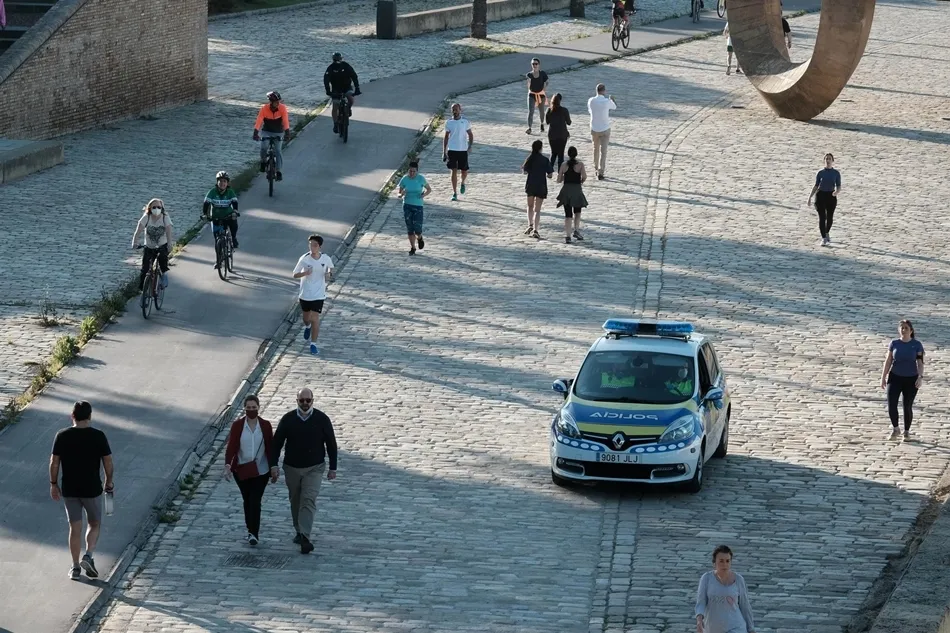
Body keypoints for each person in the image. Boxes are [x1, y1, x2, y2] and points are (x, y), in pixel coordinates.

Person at [49, 401, 114, 580]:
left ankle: (75, 567)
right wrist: (109, 481)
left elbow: (54, 462)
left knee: (74, 527)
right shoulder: (98, 436)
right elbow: (108, 461)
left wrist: (53, 483)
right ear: (90, 416)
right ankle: (88, 555)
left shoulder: (62, 435)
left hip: (70, 489)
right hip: (92, 488)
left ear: (72, 416)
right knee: (94, 523)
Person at [269, 388, 338, 555]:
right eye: (302, 400)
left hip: (315, 467)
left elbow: (331, 443)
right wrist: (273, 465)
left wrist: (333, 467)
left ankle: (305, 537)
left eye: (308, 400)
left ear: (313, 400)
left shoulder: (322, 419)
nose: (305, 403)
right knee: (295, 500)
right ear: (297, 401)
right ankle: (299, 530)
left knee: (308, 499)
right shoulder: (288, 419)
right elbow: (277, 443)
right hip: (292, 467)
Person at [224, 394, 274, 545]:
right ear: (244, 408)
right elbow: (232, 446)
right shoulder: (238, 425)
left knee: (255, 500)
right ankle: (250, 529)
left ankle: (254, 533)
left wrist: (273, 467)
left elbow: (270, 447)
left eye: (254, 407)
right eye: (248, 407)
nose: (251, 410)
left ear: (258, 408)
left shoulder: (265, 426)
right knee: (247, 500)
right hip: (241, 470)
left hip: (261, 470)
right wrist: (227, 465)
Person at [880, 320, 925, 441]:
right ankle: (895, 429)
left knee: (907, 405)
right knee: (891, 404)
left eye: (906, 328)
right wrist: (883, 377)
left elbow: (920, 363)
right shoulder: (894, 343)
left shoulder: (917, 345)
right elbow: (888, 361)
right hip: (895, 377)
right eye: (902, 328)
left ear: (911, 331)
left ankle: (906, 432)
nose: (903, 330)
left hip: (911, 379)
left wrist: (920, 377)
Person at [695, 545, 756, 633]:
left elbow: (745, 606)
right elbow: (701, 603)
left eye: (727, 561)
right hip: (713, 628)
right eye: (721, 561)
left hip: (736, 627)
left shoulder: (739, 580)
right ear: (714, 562)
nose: (725, 564)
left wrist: (751, 629)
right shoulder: (706, 578)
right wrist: (699, 621)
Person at [292, 235, 334, 356]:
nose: (312, 247)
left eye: (315, 245)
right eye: (310, 245)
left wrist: (329, 274)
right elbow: (294, 274)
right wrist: (305, 273)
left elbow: (331, 268)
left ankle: (313, 344)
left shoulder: (325, 258)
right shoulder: (304, 259)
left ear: (319, 246)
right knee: (306, 318)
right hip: (305, 293)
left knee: (315, 318)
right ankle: (307, 326)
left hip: (319, 294)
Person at [131, 198, 173, 291]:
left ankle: (164, 276)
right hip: (149, 246)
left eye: (159, 207)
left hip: (162, 245)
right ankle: (142, 290)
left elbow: (168, 230)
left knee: (163, 260)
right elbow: (138, 230)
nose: (156, 209)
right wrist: (135, 241)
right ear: (150, 208)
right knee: (145, 269)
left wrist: (169, 243)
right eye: (154, 207)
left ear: (162, 208)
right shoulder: (147, 217)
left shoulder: (165, 217)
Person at [253, 91, 291, 181]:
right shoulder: (264, 109)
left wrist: (287, 133)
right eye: (276, 102)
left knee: (278, 150)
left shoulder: (282, 108)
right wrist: (255, 133)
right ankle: (263, 162)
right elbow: (259, 121)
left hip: (278, 132)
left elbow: (285, 121)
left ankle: (278, 171)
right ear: (271, 102)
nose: (278, 103)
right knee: (263, 147)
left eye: (279, 101)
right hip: (266, 131)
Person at [398, 161, 432, 255]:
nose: (412, 173)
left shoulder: (421, 179)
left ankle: (420, 238)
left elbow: (429, 189)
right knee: (410, 228)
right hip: (407, 205)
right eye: (410, 171)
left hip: (418, 205)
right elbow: (399, 193)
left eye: (414, 171)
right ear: (408, 170)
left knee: (417, 228)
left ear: (417, 171)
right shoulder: (404, 179)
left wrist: (423, 195)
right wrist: (401, 194)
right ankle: (413, 248)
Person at [556, 146, 589, 243]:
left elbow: (558, 179)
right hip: (577, 190)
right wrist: (580, 181)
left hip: (566, 191)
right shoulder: (580, 164)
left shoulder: (563, 165)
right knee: (577, 212)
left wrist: (565, 178)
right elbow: (584, 177)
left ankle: (568, 236)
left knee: (568, 214)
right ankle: (576, 230)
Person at [202, 171, 240, 257]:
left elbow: (235, 202)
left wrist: (235, 211)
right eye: (220, 181)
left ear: (227, 183)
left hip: (228, 216)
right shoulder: (212, 192)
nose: (222, 183)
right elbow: (206, 203)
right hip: (215, 217)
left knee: (234, 222)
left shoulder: (230, 192)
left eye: (224, 181)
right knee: (217, 240)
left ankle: (233, 238)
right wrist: (205, 214)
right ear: (217, 182)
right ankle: (218, 259)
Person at [522, 140, 554, 239]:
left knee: (530, 206)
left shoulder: (530, 158)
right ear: (541, 148)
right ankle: (536, 229)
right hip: (541, 185)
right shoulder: (545, 160)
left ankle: (530, 225)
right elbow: (550, 175)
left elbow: (525, 171)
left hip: (531, 184)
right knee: (537, 210)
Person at [807, 153, 841, 246]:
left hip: (831, 196)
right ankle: (823, 238)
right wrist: (810, 197)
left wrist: (836, 192)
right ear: (824, 160)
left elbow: (839, 186)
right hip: (820, 195)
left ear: (832, 160)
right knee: (822, 217)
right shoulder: (820, 173)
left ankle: (827, 232)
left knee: (829, 218)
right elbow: (816, 185)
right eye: (826, 159)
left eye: (829, 159)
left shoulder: (836, 173)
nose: (828, 160)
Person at [442, 102, 474, 202]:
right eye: (453, 109)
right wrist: (444, 151)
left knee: (464, 171)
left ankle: (463, 182)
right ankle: (454, 192)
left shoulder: (465, 122)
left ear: (460, 110)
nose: (454, 111)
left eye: (456, 109)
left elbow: (470, 134)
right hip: (452, 150)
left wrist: (470, 146)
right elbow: (446, 137)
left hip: (463, 150)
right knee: (453, 171)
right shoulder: (449, 123)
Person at [323, 52, 361, 134]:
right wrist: (328, 91)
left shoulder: (346, 66)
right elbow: (326, 80)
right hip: (336, 89)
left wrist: (357, 88)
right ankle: (335, 123)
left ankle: (348, 108)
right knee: (335, 105)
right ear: (333, 60)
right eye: (335, 60)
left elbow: (354, 76)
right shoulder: (330, 68)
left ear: (341, 59)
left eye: (339, 59)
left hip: (347, 87)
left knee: (350, 98)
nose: (337, 61)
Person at [587, 84, 616, 181]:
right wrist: (612, 100)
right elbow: (614, 107)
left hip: (594, 128)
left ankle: (596, 168)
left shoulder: (591, 101)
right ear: (604, 91)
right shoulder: (606, 101)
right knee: (603, 151)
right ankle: (601, 171)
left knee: (595, 149)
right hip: (604, 128)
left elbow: (590, 111)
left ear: (596, 91)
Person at [545, 93, 572, 170]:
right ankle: (560, 172)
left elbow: (547, 122)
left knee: (553, 153)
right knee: (561, 155)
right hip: (562, 135)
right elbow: (569, 122)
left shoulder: (549, 110)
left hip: (552, 135)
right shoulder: (564, 110)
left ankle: (549, 171)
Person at [525, 58, 549, 135]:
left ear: (539, 65)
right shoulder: (529, 75)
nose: (534, 65)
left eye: (536, 64)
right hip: (532, 94)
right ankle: (529, 128)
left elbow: (547, 82)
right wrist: (529, 84)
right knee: (530, 111)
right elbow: (528, 85)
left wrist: (544, 88)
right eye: (533, 64)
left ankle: (542, 124)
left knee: (541, 111)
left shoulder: (542, 73)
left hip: (541, 94)